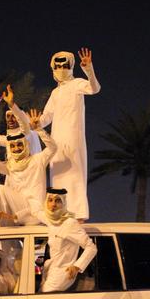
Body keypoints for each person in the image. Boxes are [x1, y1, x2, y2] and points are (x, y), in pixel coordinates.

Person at [39, 48, 101, 222]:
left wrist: (89, 69)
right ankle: (59, 215)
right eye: (57, 65)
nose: (61, 68)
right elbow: (46, 118)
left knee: (75, 177)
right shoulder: (55, 93)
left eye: (64, 65)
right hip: (56, 142)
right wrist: (32, 121)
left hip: (73, 140)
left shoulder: (77, 84)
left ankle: (78, 216)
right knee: (57, 179)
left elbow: (94, 88)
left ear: (71, 66)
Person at [0, 109, 56, 226]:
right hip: (17, 206)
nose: (16, 148)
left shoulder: (38, 160)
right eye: (12, 146)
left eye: (19, 145)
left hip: (33, 211)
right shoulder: (10, 166)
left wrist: (38, 129)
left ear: (26, 145)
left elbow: (53, 148)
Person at [37, 188, 97, 292]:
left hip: (62, 273)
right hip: (50, 269)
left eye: (58, 200)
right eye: (50, 200)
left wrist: (77, 266)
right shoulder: (51, 219)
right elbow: (35, 211)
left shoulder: (69, 223)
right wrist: (14, 217)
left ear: (64, 203)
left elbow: (91, 247)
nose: (53, 204)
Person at [0, 85, 42, 156]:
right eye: (8, 116)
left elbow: (23, 122)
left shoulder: (28, 132)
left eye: (13, 116)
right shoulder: (13, 136)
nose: (10, 119)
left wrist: (11, 105)